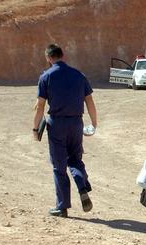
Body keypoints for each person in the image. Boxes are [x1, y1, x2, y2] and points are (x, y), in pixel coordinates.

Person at [33, 44, 98, 217]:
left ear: (48, 58)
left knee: (59, 166)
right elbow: (89, 100)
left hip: (57, 125)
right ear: (63, 56)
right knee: (75, 159)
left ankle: (62, 206)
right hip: (76, 123)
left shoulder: (46, 76)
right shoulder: (78, 75)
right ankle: (82, 186)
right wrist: (94, 123)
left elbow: (40, 105)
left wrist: (35, 127)